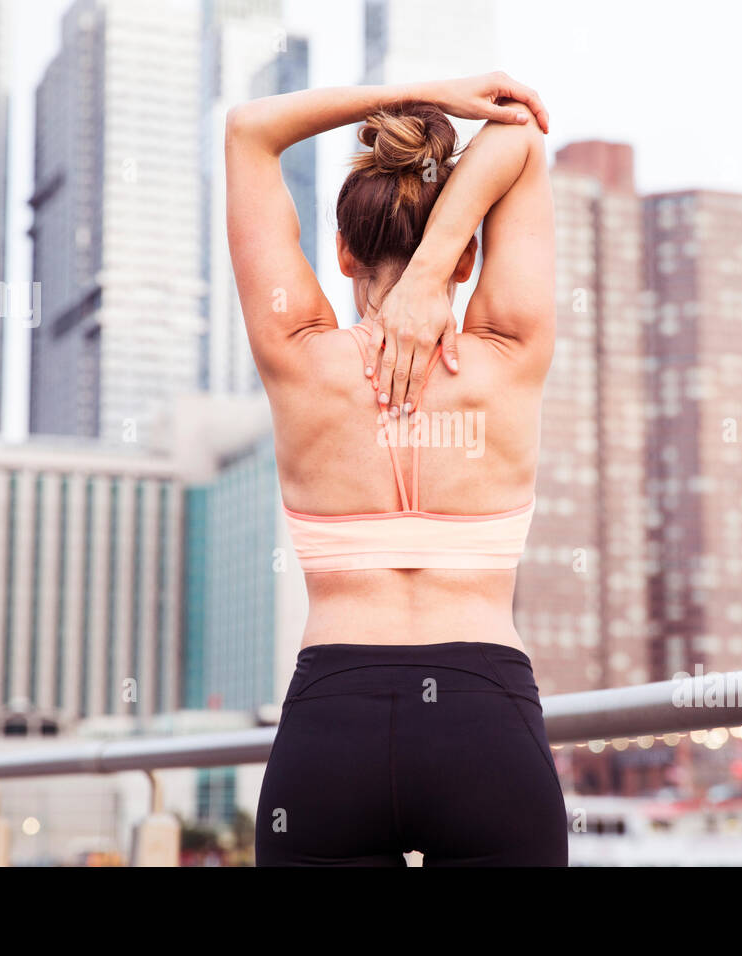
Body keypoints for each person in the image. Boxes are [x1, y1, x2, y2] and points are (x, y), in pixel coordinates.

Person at [225, 72, 564, 866]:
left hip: (331, 731)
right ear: (470, 254)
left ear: (341, 253)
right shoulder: (508, 353)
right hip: (487, 729)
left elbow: (248, 130)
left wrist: (420, 91)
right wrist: (430, 271)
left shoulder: (299, 356)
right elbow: (519, 132)